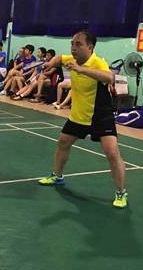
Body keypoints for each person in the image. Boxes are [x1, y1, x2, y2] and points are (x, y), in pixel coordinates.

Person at [38, 30, 128, 209]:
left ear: (90, 47)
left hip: (100, 116)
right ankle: (57, 176)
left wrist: (82, 70)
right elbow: (59, 59)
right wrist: (50, 63)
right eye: (72, 44)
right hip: (79, 115)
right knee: (63, 142)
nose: (73, 48)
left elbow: (110, 77)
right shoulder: (71, 59)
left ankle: (121, 192)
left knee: (112, 153)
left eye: (78, 44)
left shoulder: (98, 62)